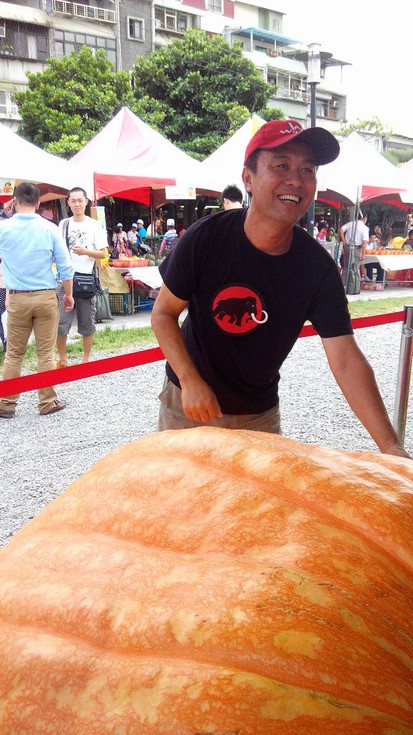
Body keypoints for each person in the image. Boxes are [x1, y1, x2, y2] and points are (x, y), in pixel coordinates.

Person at [151, 118, 409, 459]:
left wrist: (390, 446)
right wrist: (190, 380)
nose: (295, 180)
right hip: (189, 404)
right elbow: (163, 314)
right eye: (281, 165)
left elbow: (346, 359)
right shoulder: (207, 237)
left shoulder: (316, 267)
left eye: (307, 170)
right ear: (248, 178)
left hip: (258, 415)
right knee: (180, 491)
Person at [0, 182, 74, 418]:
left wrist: (6, 214)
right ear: (39, 202)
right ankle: (47, 402)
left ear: (14, 200)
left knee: (14, 354)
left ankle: (7, 403)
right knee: (45, 353)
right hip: (45, 296)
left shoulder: (3, 228)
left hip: (17, 298)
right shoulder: (50, 228)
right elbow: (65, 267)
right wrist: (69, 294)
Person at [56, 186, 107, 367]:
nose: (77, 204)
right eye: (73, 201)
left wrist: (86, 251)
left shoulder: (95, 225)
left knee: (87, 322)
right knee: (61, 323)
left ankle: (85, 359)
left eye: (80, 200)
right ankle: (63, 359)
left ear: (86, 202)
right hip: (65, 279)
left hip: (86, 279)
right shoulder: (63, 224)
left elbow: (103, 253)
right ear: (68, 203)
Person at [338, 211, 369, 289]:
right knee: (355, 267)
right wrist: (363, 253)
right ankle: (353, 286)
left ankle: (343, 285)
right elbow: (364, 242)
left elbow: (341, 229)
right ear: (365, 218)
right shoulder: (364, 228)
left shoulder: (351, 223)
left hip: (347, 247)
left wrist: (344, 240)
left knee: (346, 266)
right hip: (356, 248)